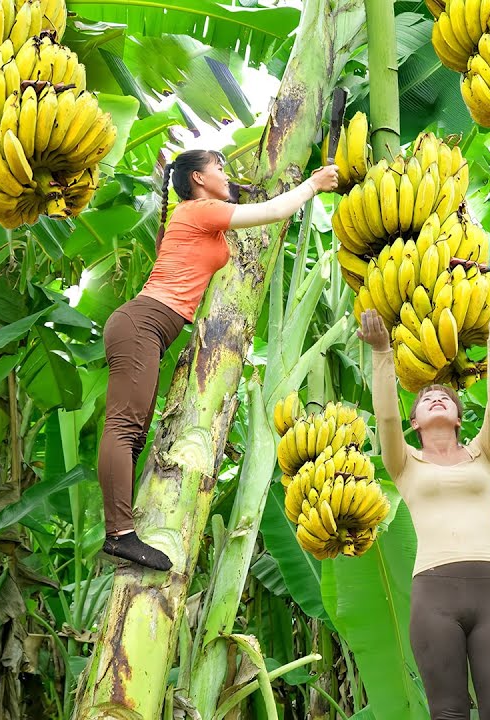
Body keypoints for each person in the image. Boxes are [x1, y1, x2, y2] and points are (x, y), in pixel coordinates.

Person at [98, 150, 339, 570]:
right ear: (198, 179)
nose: (226, 175)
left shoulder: (197, 215)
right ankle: (119, 534)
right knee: (124, 427)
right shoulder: (199, 210)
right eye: (220, 168)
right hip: (142, 324)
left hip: (150, 328)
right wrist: (313, 185)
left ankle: (125, 527)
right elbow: (275, 210)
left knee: (134, 435)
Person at [357, 296, 490, 720]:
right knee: (448, 713)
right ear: (414, 422)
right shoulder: (404, 464)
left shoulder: (485, 455)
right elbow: (385, 418)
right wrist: (381, 352)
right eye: (426, 397)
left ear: (457, 417)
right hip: (434, 597)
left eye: (444, 396)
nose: (435, 397)